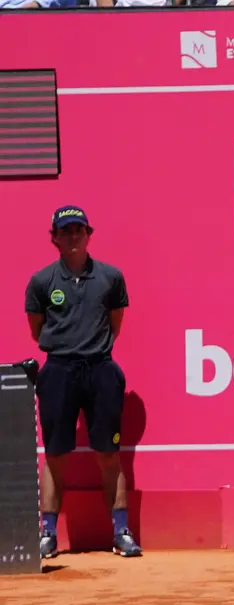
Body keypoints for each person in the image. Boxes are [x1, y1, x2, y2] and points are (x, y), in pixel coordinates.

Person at [25, 205, 139, 558]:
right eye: (66, 231)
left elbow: (115, 323)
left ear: (89, 234)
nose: (73, 236)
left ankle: (121, 532)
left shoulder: (111, 277)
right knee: (56, 454)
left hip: (101, 368)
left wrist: (93, 350)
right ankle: (47, 534)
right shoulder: (42, 281)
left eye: (79, 230)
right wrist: (68, 349)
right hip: (58, 370)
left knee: (109, 453)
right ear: (54, 238)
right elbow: (37, 329)